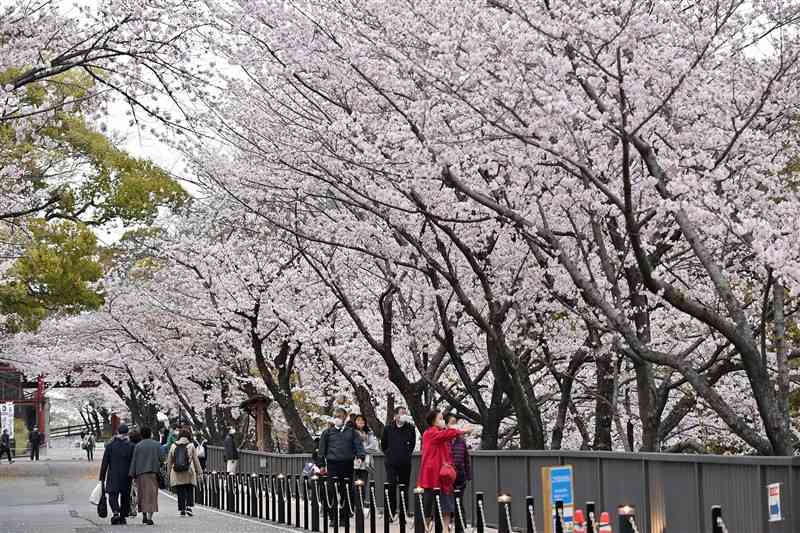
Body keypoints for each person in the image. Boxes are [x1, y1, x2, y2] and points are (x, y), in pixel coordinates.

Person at [418, 410, 471, 532]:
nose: (443, 421)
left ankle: (445, 529)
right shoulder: (429, 433)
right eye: (440, 418)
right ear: (433, 421)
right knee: (428, 504)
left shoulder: (442, 433)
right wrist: (462, 430)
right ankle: (425, 528)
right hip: (432, 476)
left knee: (446, 503)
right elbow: (447, 434)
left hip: (444, 475)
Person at [319, 407, 366, 521]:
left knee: (347, 490)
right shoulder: (327, 432)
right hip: (332, 465)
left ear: (345, 418)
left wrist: (360, 457)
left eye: (339, 416)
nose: (337, 419)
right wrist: (321, 464)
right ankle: (333, 516)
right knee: (331, 490)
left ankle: (344, 516)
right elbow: (322, 449)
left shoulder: (352, 432)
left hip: (347, 465)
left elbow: (358, 446)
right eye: (335, 416)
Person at [381, 406, 416, 516]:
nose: (403, 415)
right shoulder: (388, 428)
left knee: (404, 487)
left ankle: (403, 513)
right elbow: (384, 444)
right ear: (395, 415)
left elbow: (412, 444)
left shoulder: (410, 428)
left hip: (405, 462)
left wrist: (406, 453)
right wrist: (390, 454)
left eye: (405, 413)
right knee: (391, 486)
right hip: (391, 462)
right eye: (401, 413)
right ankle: (391, 512)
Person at [99, 424, 135, 525]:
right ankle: (123, 516)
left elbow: (105, 462)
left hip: (113, 474)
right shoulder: (131, 446)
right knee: (125, 496)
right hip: (126, 475)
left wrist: (102, 476)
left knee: (112, 494)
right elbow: (133, 461)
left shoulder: (110, 446)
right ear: (127, 433)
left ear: (117, 432)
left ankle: (115, 513)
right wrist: (134, 475)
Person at [167, 427, 203, 517]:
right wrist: (200, 472)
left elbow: (169, 461)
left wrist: (168, 472)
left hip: (176, 471)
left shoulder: (173, 445)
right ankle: (189, 507)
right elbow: (196, 460)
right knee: (189, 488)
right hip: (188, 471)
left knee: (180, 490)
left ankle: (182, 509)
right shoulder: (191, 446)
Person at [129, 426, 161, 525]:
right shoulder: (157, 444)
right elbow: (162, 457)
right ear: (150, 433)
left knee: (142, 494)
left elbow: (134, 460)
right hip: (153, 473)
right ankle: (149, 517)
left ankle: (143, 515)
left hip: (140, 474)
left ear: (141, 435)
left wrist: (132, 473)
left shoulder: (138, 446)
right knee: (152, 495)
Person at [352, 414, 379, 509]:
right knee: (353, 485)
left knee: (363, 485)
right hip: (353, 462)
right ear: (355, 422)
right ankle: (353, 505)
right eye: (358, 420)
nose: (360, 422)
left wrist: (361, 450)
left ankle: (360, 505)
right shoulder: (351, 432)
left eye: (362, 421)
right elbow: (350, 447)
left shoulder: (369, 433)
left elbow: (374, 447)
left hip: (365, 463)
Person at [445, 414, 472, 495]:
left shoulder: (461, 440)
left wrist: (468, 474)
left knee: (459, 499)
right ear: (446, 425)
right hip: (447, 475)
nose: (455, 425)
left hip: (460, 474)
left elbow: (466, 458)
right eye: (452, 423)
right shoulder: (444, 439)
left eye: (455, 423)